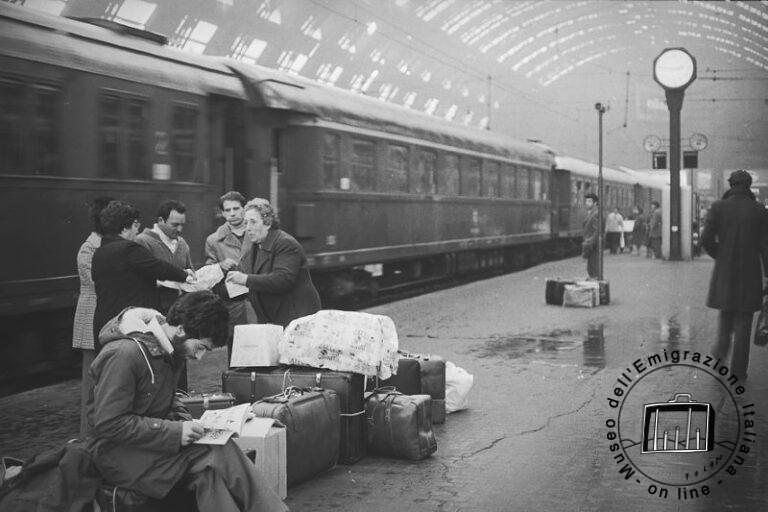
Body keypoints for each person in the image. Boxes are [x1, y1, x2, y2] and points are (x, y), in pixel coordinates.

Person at [87, 291, 288, 511]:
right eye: (200, 347)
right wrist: (176, 431)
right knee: (221, 450)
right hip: (117, 456)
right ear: (181, 330)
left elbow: (167, 401)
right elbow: (108, 423)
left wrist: (193, 425)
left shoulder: (170, 350)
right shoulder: (124, 354)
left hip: (147, 447)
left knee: (209, 476)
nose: (199, 357)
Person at [92, 201, 191, 345]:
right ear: (126, 226)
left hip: (106, 322)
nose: (137, 231)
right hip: (130, 324)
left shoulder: (100, 252)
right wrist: (184, 275)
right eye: (135, 225)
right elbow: (158, 267)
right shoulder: (129, 248)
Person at [701, 170, 768, 380]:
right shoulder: (759, 210)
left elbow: (705, 238)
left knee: (725, 317)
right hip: (750, 274)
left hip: (725, 272)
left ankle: (719, 361)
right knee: (744, 322)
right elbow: (766, 247)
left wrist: (719, 254)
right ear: (749, 186)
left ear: (730, 184)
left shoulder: (718, 207)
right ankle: (738, 373)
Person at [226, 199, 321, 327]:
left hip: (295, 319)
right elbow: (245, 285)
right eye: (246, 222)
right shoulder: (254, 248)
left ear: (268, 223)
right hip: (273, 318)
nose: (247, 228)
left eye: (253, 222)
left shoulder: (285, 243)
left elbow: (282, 280)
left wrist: (245, 279)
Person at [72, 196, 114, 437]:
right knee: (91, 385)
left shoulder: (103, 245)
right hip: (91, 319)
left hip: (103, 316)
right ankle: (88, 439)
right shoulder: (89, 248)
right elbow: (100, 283)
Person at [205, 191, 259, 359]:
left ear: (244, 209)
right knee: (237, 352)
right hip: (233, 304)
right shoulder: (214, 241)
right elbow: (208, 274)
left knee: (261, 346)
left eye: (236, 208)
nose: (232, 213)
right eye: (227, 210)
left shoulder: (258, 234)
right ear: (222, 213)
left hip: (259, 298)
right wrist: (220, 266)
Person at [135, 199, 195, 314]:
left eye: (182, 225)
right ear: (161, 220)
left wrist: (190, 273)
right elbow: (139, 280)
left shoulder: (182, 243)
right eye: (175, 225)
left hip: (181, 310)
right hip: (153, 310)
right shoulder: (142, 241)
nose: (180, 229)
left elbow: (191, 270)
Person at [582, 193, 600, 279]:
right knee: (591, 270)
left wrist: (588, 245)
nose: (586, 203)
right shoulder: (592, 213)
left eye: (589, 201)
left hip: (593, 246)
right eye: (586, 201)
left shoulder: (596, 214)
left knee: (593, 271)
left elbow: (596, 232)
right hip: (591, 246)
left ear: (595, 203)